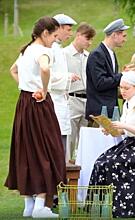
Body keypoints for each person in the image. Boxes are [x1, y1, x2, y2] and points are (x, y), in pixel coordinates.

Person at [4, 16, 66, 218]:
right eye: (55, 36)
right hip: (39, 104)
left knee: (27, 149)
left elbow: (12, 70)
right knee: (47, 149)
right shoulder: (43, 51)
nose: (56, 40)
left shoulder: (27, 49)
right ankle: (40, 205)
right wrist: (44, 90)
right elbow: (45, 68)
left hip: (24, 103)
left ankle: (29, 204)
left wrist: (25, 86)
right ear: (45, 33)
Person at [89, 71, 135, 218]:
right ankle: (100, 206)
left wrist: (123, 126)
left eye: (126, 88)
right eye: (121, 88)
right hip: (131, 143)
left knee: (113, 163)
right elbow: (125, 130)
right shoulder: (128, 103)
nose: (123, 91)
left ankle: (123, 206)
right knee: (101, 162)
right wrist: (112, 129)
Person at [85, 18, 129, 125]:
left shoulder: (111, 53)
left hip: (110, 112)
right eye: (123, 36)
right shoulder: (97, 54)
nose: (125, 39)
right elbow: (100, 83)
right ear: (114, 35)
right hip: (99, 114)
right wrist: (123, 75)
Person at [63, 22, 96, 161]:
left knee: (85, 139)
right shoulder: (63, 54)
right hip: (72, 99)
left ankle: (83, 170)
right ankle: (66, 171)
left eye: (91, 39)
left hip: (88, 100)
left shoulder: (89, 56)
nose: (90, 42)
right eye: (87, 38)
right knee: (70, 137)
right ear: (78, 35)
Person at [51, 13, 77, 154]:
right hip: (54, 100)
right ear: (58, 28)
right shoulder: (50, 49)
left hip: (61, 100)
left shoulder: (57, 48)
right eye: (68, 29)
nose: (70, 34)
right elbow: (45, 76)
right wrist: (67, 77)